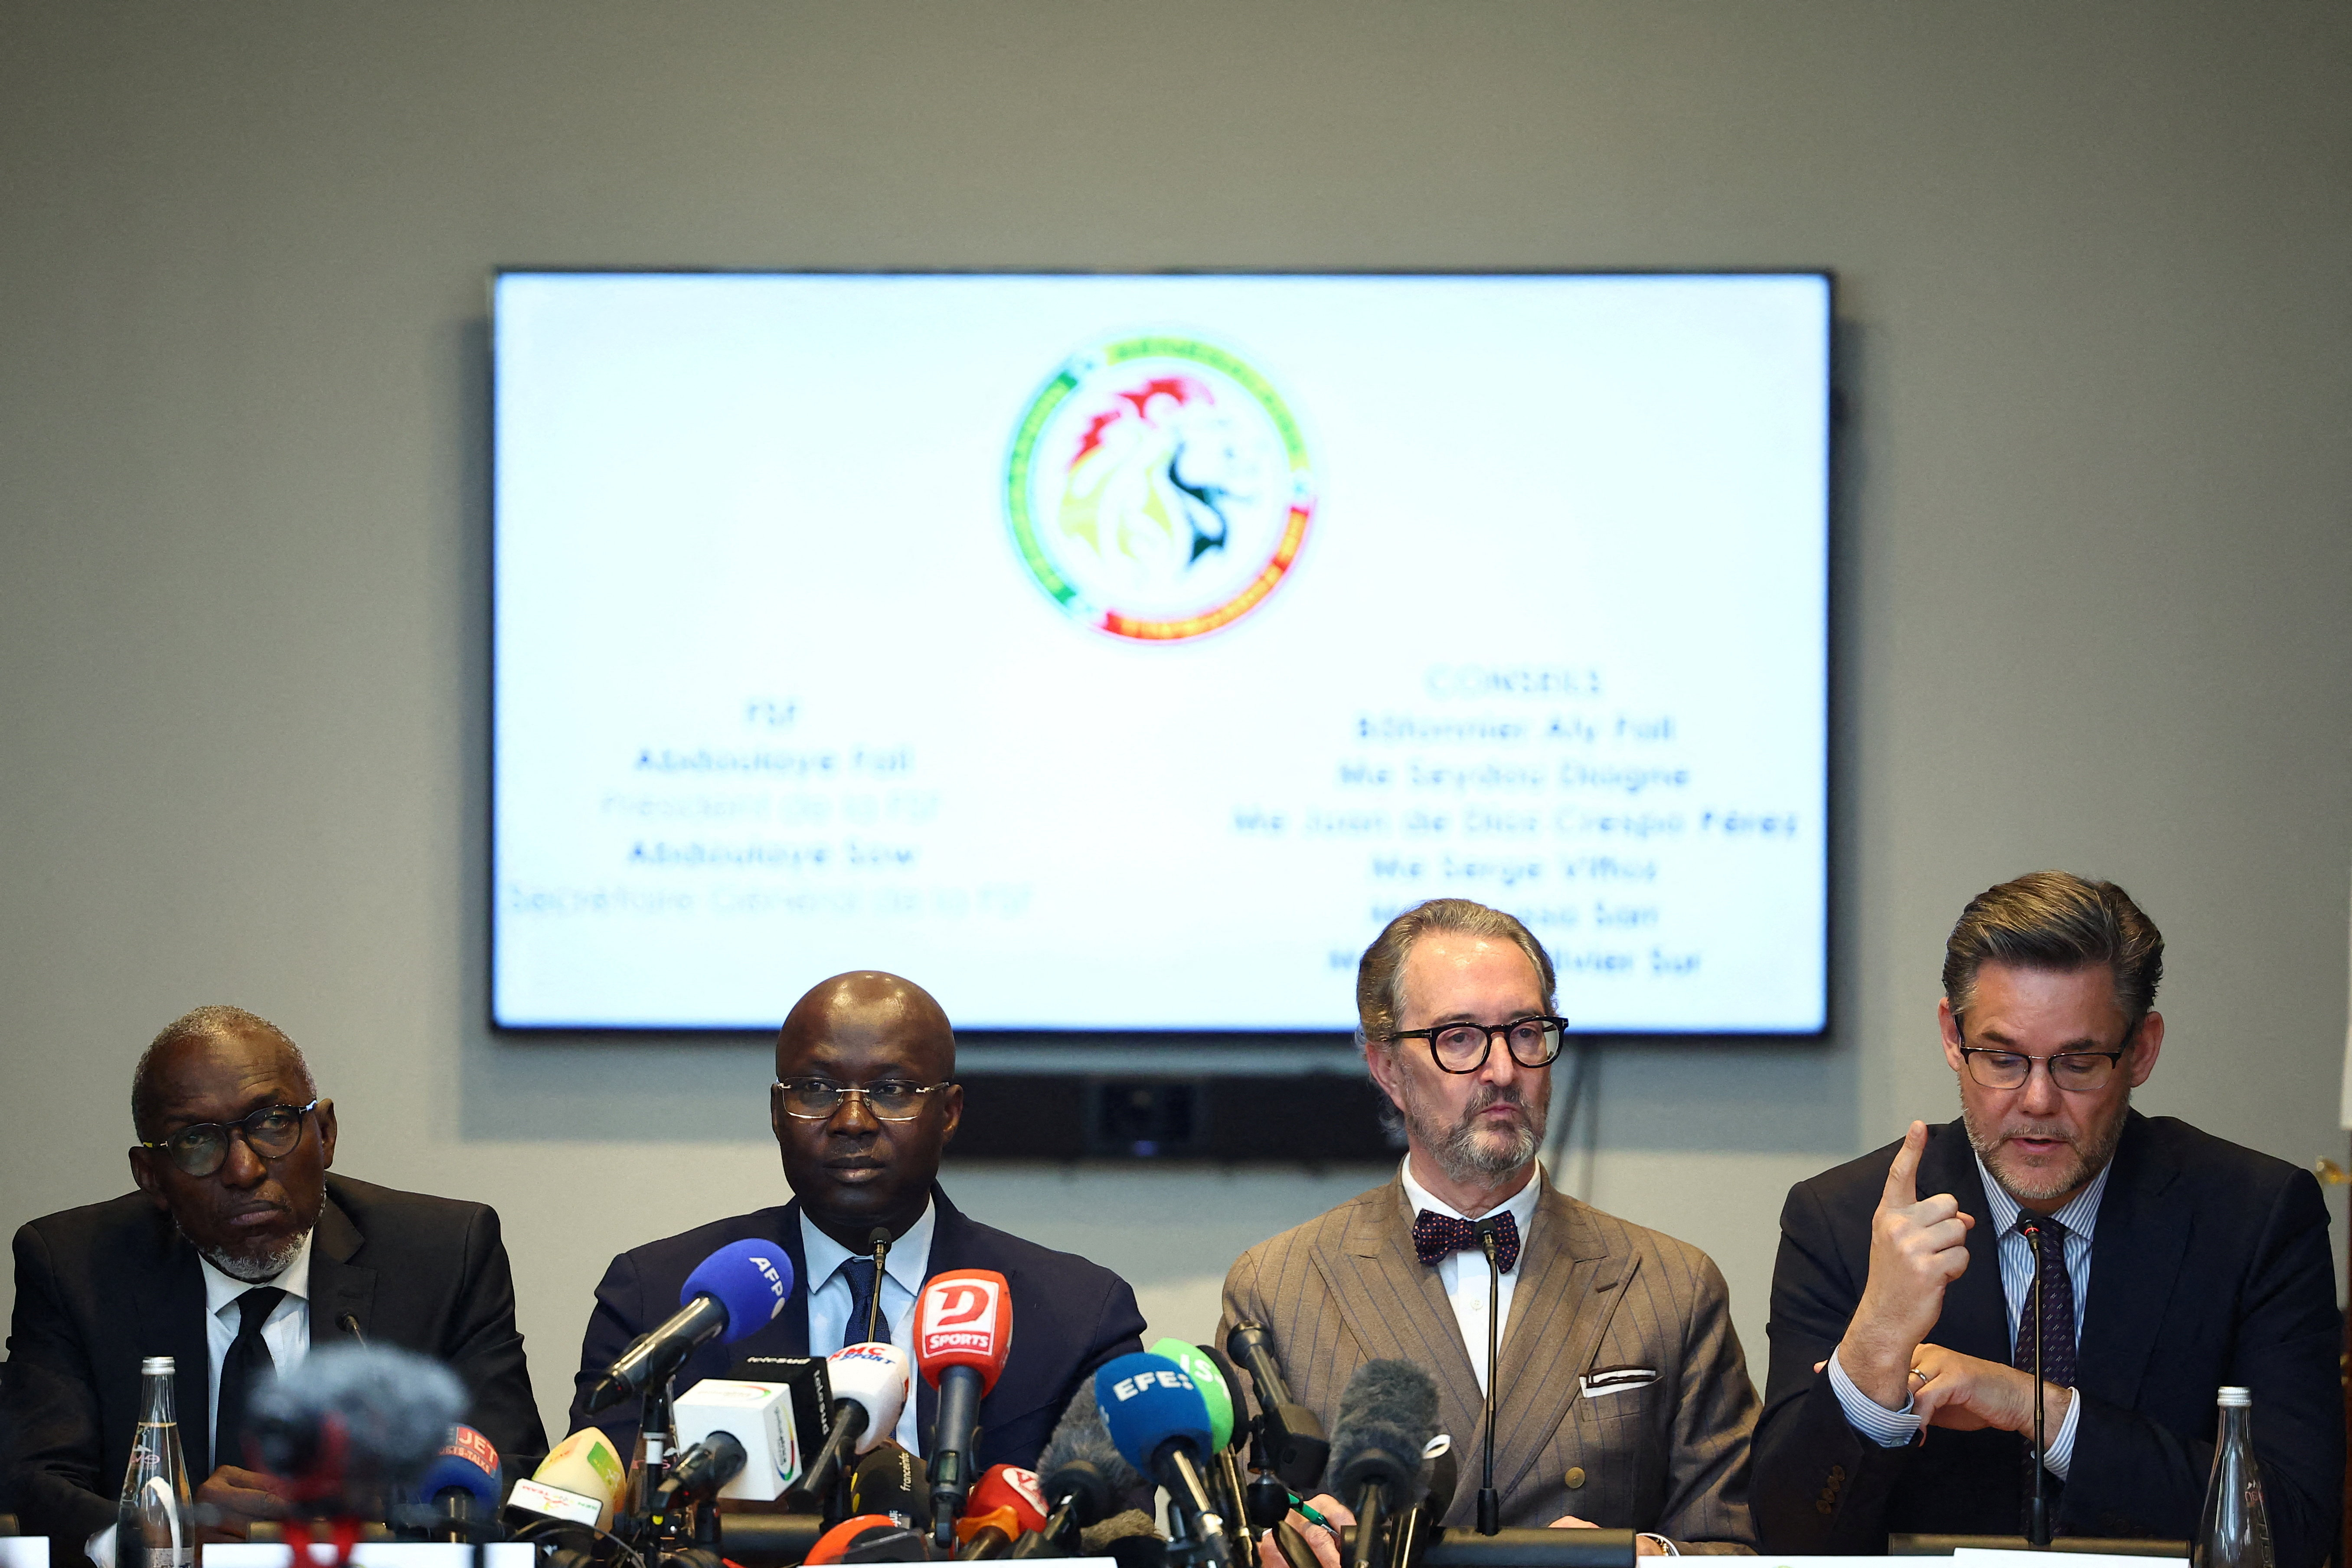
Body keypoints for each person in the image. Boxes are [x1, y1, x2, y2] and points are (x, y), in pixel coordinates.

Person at [1753, 872, 2341, 1562]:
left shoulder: (2255, 1218)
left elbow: (2295, 1531)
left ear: (2143, 1050)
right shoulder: (1844, 1221)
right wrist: (1876, 1342)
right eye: (2002, 1059)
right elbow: (1786, 1537)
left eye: (2079, 1063)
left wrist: (2040, 1411)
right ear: (1952, 1036)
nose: (2036, 1100)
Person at [1219, 899, 1758, 1555]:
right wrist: (1281, 1548)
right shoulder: (1278, 1288)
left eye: (1526, 1032)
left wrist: (1648, 1560)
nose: (1503, 1070)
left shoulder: (1671, 1285)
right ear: (1388, 1068)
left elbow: (1736, 1543)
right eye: (1461, 1038)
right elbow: (1237, 1530)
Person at [4, 1006, 546, 1565]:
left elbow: (515, 1472)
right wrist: (157, 1535)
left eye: (271, 1123)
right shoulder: (74, 1267)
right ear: (152, 1178)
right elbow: (32, 1480)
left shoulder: (442, 1256)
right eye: (196, 1141)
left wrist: (366, 1515)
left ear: (326, 1134)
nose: (243, 1170)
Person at [569, 970, 1147, 1470]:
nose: (852, 1120)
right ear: (777, 1113)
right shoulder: (661, 1301)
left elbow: (1114, 1537)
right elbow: (598, 1526)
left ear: (948, 1114)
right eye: (816, 1089)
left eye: (891, 1090)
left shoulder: (1078, 1317)